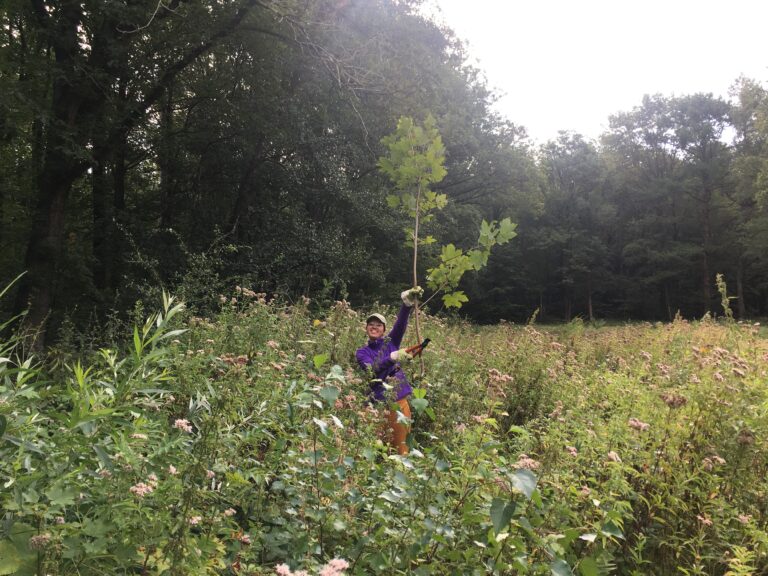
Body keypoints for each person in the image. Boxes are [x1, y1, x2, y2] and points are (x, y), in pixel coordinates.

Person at [356, 287, 423, 455]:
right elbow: (372, 369)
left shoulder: (392, 342)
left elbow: (401, 324)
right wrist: (392, 358)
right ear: (366, 329)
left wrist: (407, 304)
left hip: (398, 401)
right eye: (371, 325)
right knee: (370, 448)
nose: (374, 327)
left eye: (378, 325)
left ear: (384, 330)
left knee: (401, 448)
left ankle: (401, 475)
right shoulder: (362, 352)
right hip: (376, 405)